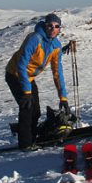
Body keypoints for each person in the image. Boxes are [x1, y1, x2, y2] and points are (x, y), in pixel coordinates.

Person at [5, 13, 70, 150]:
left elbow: (58, 73)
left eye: (56, 26)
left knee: (36, 112)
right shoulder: (35, 38)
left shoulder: (56, 46)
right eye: (50, 25)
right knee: (27, 107)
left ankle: (29, 135)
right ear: (45, 26)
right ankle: (25, 144)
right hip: (15, 74)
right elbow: (21, 65)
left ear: (59, 29)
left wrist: (63, 97)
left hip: (29, 78)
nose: (53, 29)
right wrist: (27, 92)